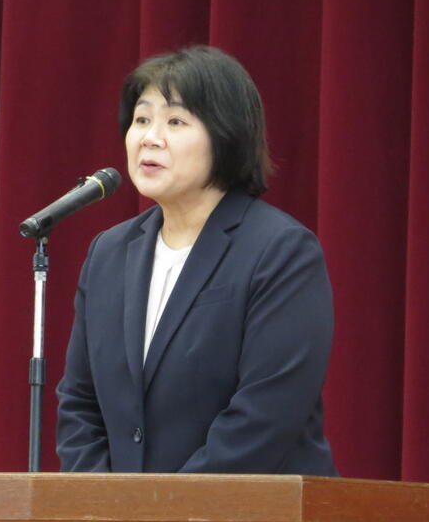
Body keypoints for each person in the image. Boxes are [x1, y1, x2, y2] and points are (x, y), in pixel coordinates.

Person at [56, 45, 337, 475]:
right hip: (122, 512)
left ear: (225, 136)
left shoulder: (281, 252)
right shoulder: (108, 254)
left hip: (250, 508)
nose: (149, 138)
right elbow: (80, 405)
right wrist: (103, 505)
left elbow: (264, 417)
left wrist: (165, 508)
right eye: (141, 120)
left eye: (175, 121)